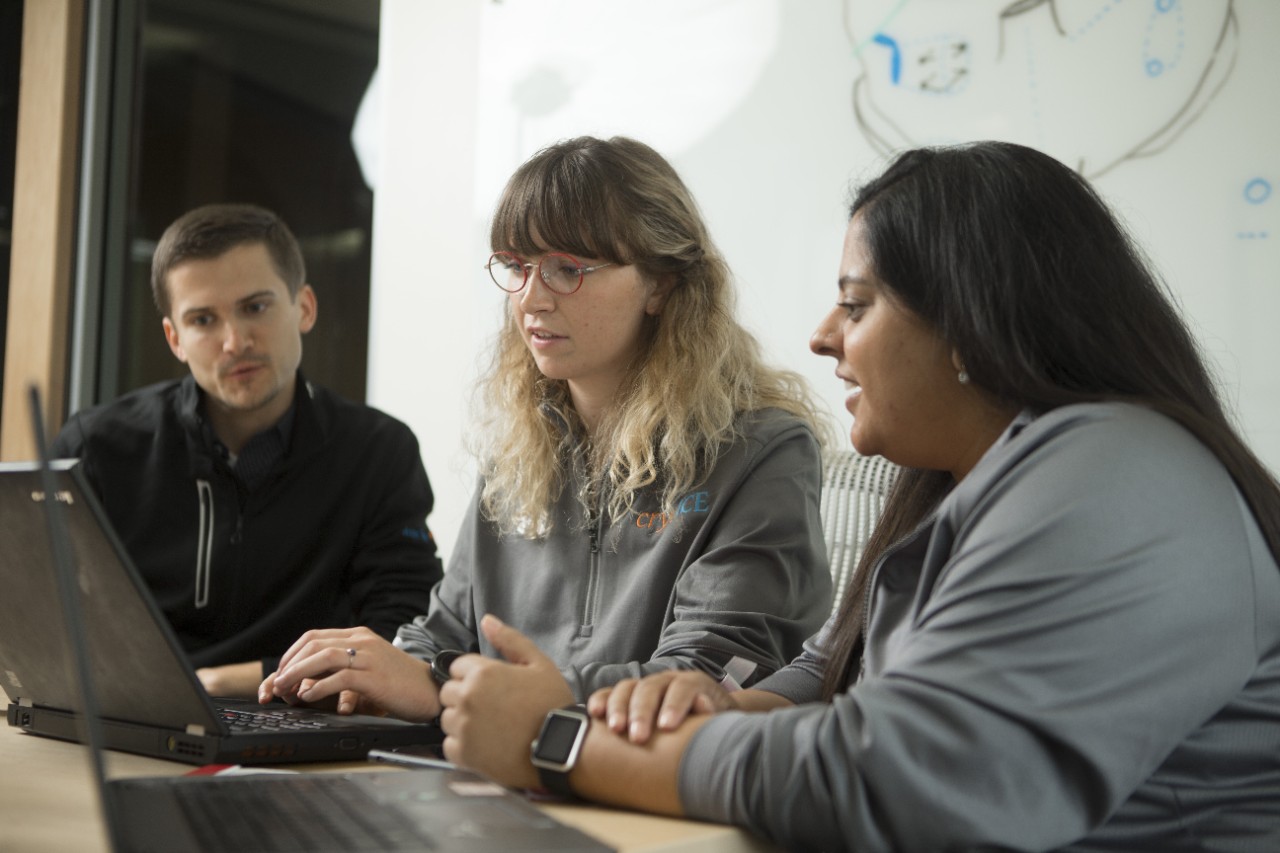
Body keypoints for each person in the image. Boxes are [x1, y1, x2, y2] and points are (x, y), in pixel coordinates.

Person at [439, 141, 1280, 852]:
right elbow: (837, 664)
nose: (823, 336)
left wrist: (561, 741)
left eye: (857, 304)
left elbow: (905, 779)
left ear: (970, 320)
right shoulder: (984, 483)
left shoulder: (1117, 474)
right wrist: (732, 701)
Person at [260, 136, 833, 732]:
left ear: (661, 284)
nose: (530, 299)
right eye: (516, 267)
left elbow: (705, 679)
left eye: (567, 270)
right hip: (495, 775)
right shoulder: (520, 450)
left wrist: (439, 686)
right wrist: (369, 678)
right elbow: (442, 636)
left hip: (650, 797)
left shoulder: (764, 451)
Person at [52, 203, 444, 698]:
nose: (234, 342)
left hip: (308, 720)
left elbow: (405, 637)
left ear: (304, 308)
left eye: (255, 307)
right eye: (202, 320)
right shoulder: (96, 449)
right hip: (138, 717)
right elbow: (51, 624)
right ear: (175, 338)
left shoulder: (379, 451)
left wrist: (231, 680)